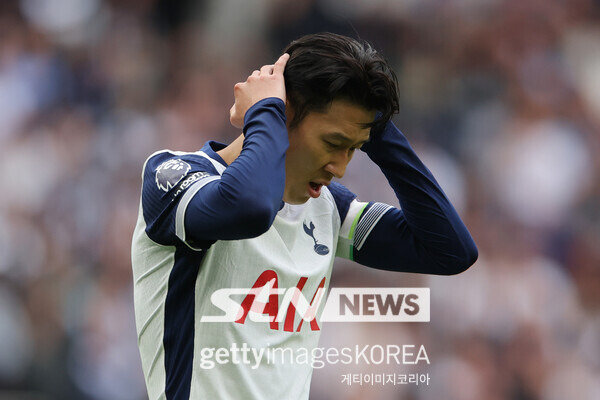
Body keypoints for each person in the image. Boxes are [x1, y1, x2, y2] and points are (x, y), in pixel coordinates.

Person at [131, 32, 478, 400]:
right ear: (284, 113)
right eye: (332, 144)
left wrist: (377, 130)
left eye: (354, 149)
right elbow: (249, 209)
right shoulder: (174, 177)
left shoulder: (328, 209)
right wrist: (264, 113)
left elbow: (451, 250)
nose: (340, 168)